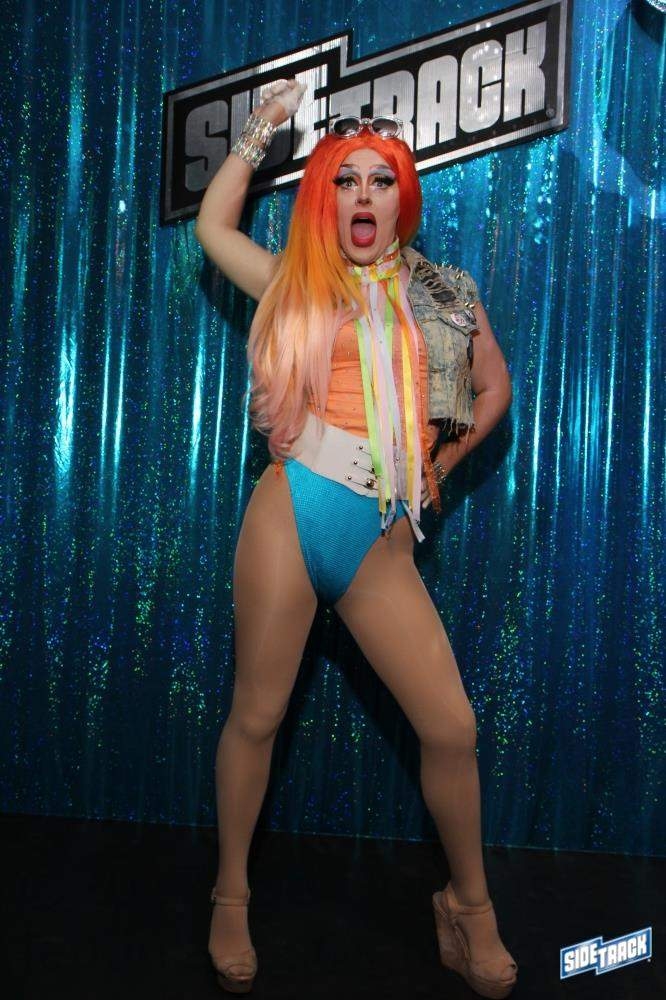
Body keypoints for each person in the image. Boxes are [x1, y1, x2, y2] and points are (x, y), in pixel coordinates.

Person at [194, 79, 517, 998]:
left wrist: (442, 465)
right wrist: (264, 127)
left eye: (380, 180)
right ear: (326, 197)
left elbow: (494, 387)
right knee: (257, 715)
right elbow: (213, 229)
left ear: (399, 197)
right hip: (292, 512)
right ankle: (229, 896)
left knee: (451, 728)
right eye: (346, 180)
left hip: (382, 538)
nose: (364, 194)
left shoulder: (443, 292)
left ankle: (468, 907)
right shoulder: (292, 279)